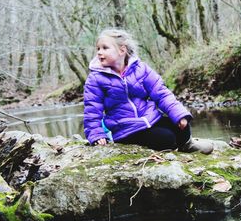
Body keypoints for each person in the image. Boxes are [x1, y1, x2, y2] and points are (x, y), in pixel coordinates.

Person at [83, 28, 213, 154]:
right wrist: (96, 134)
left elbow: (161, 93)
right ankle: (172, 145)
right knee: (166, 138)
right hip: (126, 129)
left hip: (150, 118)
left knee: (181, 125)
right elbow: (92, 109)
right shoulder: (95, 78)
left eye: (105, 48)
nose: (99, 52)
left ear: (122, 50)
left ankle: (187, 145)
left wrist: (178, 114)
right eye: (98, 49)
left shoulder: (140, 68)